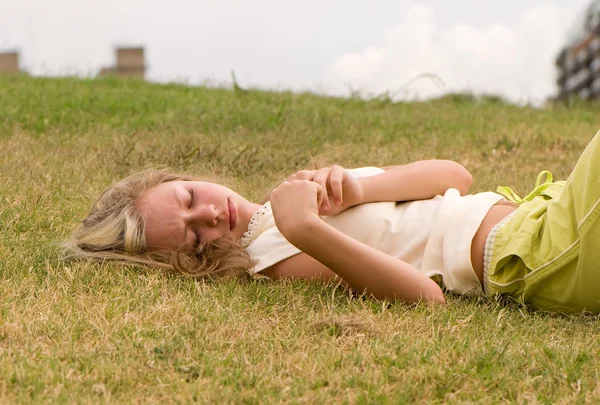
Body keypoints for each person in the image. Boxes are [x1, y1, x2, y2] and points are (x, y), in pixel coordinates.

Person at [64, 130, 600, 314]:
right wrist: (307, 232)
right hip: (539, 255)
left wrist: (364, 187)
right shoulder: (275, 257)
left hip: (544, 213)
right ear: (191, 262)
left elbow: (455, 175)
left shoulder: (294, 197)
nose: (207, 213)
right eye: (194, 236)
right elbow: (425, 299)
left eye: (188, 196)